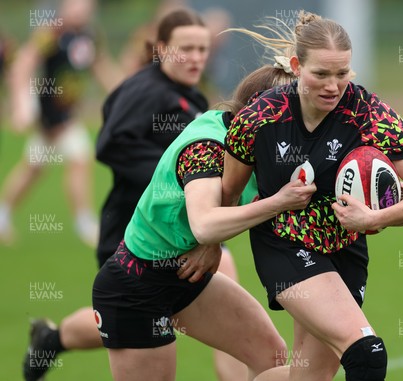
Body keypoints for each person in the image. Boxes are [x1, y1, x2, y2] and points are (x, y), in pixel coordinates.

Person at [221, 11, 403, 380]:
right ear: (296, 66)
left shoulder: (368, 114)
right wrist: (206, 246)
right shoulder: (260, 117)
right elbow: (228, 194)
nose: (333, 86)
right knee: (366, 354)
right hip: (283, 244)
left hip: (345, 249)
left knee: (308, 376)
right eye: (321, 74)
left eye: (342, 74)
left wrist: (375, 218)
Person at [22, 8, 245, 381]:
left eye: (202, 49)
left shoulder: (189, 95)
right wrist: (180, 179)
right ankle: (54, 337)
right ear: (160, 49)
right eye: (185, 48)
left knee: (176, 300)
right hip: (131, 229)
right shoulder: (146, 90)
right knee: (134, 316)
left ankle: (52, 337)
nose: (195, 57)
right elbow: (110, 144)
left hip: (175, 228)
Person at [91, 62, 313, 380]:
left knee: (271, 357)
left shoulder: (252, 141)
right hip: (137, 286)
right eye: (293, 118)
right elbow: (205, 223)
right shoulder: (206, 149)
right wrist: (277, 203)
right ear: (258, 114)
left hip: (188, 276)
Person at [0, 0, 122, 247]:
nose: (81, 10)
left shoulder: (89, 36)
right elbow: (24, 64)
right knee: (77, 157)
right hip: (48, 113)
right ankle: (84, 222)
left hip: (66, 113)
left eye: (86, 5)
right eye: (76, 4)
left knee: (36, 166)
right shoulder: (51, 32)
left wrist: (126, 91)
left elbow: (102, 68)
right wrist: (21, 105)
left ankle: (3, 214)